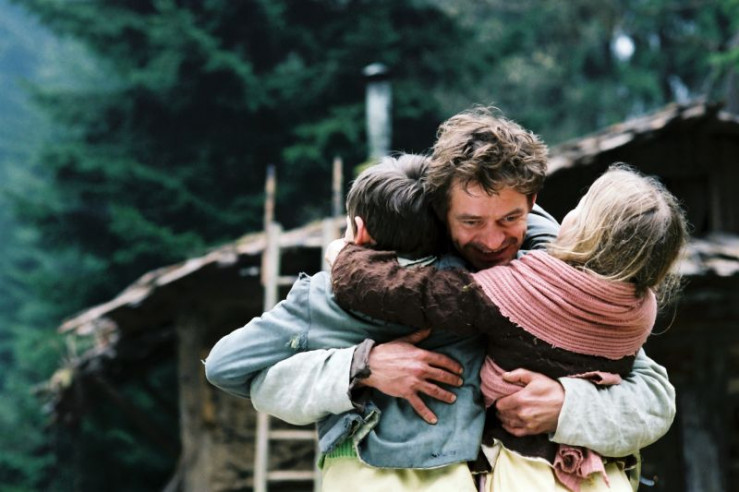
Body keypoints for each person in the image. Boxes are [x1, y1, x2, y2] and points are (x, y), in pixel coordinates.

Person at [212, 108, 675, 489]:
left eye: (510, 218)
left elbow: (655, 399)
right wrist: (361, 366)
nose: (493, 241)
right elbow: (258, 380)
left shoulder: (558, 282)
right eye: (471, 222)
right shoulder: (359, 286)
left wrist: (568, 405)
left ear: (532, 202)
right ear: (440, 208)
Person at [329, 164, 689, 491]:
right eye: (472, 220)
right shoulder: (640, 310)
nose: (491, 240)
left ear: (587, 230)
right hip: (602, 477)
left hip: (523, 471)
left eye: (580, 208)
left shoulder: (520, 287)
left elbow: (415, 294)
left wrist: (347, 259)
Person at [207, 154, 489, 490]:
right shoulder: (481, 282)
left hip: (355, 472)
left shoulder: (323, 298)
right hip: (455, 471)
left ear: (360, 230)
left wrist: (354, 364)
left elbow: (223, 366)